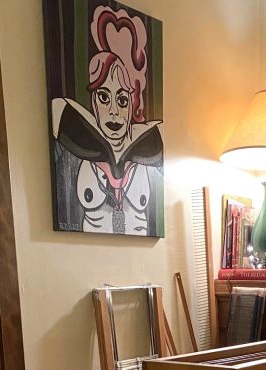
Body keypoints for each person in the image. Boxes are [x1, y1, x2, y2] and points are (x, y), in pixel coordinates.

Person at [51, 6, 163, 235]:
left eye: (122, 100)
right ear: (93, 103)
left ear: (131, 105)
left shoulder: (150, 155)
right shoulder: (70, 151)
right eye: (104, 97)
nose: (113, 111)